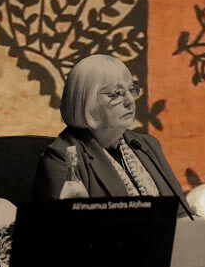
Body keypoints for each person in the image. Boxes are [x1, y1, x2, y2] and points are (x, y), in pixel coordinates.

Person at [33, 54, 193, 219]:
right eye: (117, 93)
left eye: (131, 90)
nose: (130, 101)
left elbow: (182, 214)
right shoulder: (63, 156)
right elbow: (63, 233)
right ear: (87, 101)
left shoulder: (147, 145)